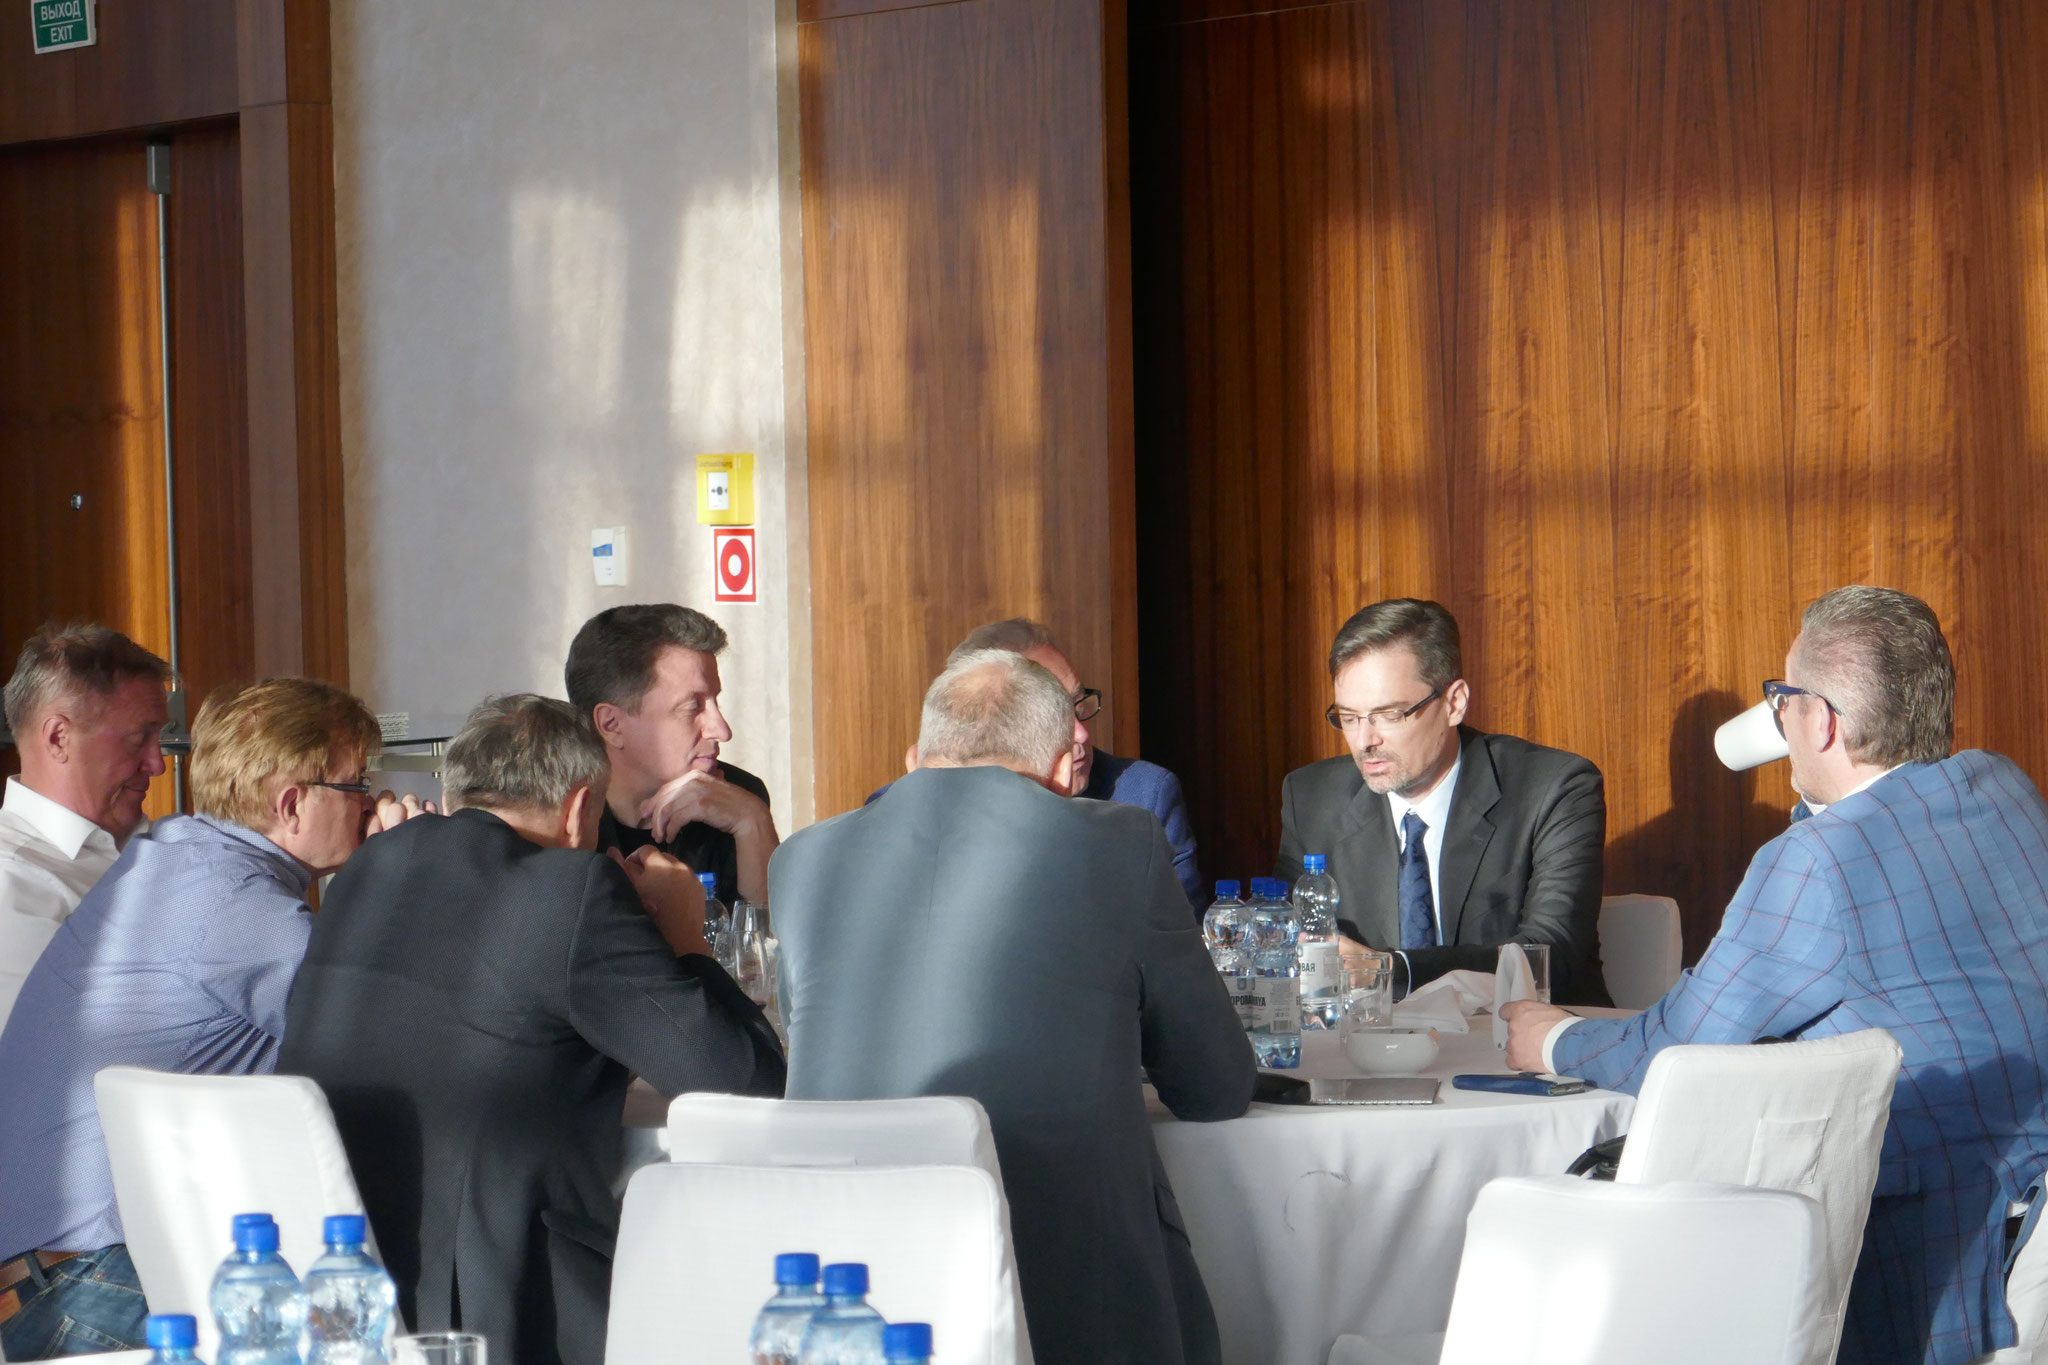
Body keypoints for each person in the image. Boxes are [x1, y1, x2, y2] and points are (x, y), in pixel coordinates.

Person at [1505, 586, 2048, 1365]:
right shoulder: (2003, 787)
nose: (1776, 715)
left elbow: (1678, 1049)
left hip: (1940, 1268)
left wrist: (1553, 1039)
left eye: (1781, 696)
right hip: (2031, 1238)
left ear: (1822, 721)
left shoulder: (1816, 863)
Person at [772, 648, 1255, 1365]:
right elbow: (1214, 1084)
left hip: (850, 1287)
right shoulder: (1119, 841)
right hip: (1068, 1293)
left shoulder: (801, 859)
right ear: (1062, 768)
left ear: (917, 759)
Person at [280, 695, 785, 1365]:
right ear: (579, 809)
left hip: (343, 1274)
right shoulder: (571, 887)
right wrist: (687, 936)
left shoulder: (367, 868)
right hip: (504, 1295)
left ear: (457, 794)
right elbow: (745, 1087)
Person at [0, 677, 414, 1361]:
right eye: (357, 784)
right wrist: (405, 871)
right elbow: (402, 1039)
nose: (372, 802)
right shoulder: (237, 905)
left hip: (58, 1273)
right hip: (95, 1281)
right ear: (291, 804)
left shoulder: (182, 856)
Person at [1276, 599, 1608, 1003]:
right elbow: (1292, 938)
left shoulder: (1553, 788)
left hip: (1523, 1031)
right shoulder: (1311, 798)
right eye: (1348, 717)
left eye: (1390, 715)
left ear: (1454, 703)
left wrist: (1390, 970)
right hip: (1373, 1037)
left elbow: (1551, 954)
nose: (1364, 741)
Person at [0, 624, 172, 1032]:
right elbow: (53, 1054)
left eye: (159, 739)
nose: (157, 765)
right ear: (59, 737)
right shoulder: (12, 887)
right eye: (139, 739)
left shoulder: (170, 848)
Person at [565, 604, 775, 906]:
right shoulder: (558, 814)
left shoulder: (739, 798)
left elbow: (768, 932)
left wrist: (753, 822)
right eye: (693, 707)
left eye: (715, 702)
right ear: (611, 725)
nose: (722, 730)